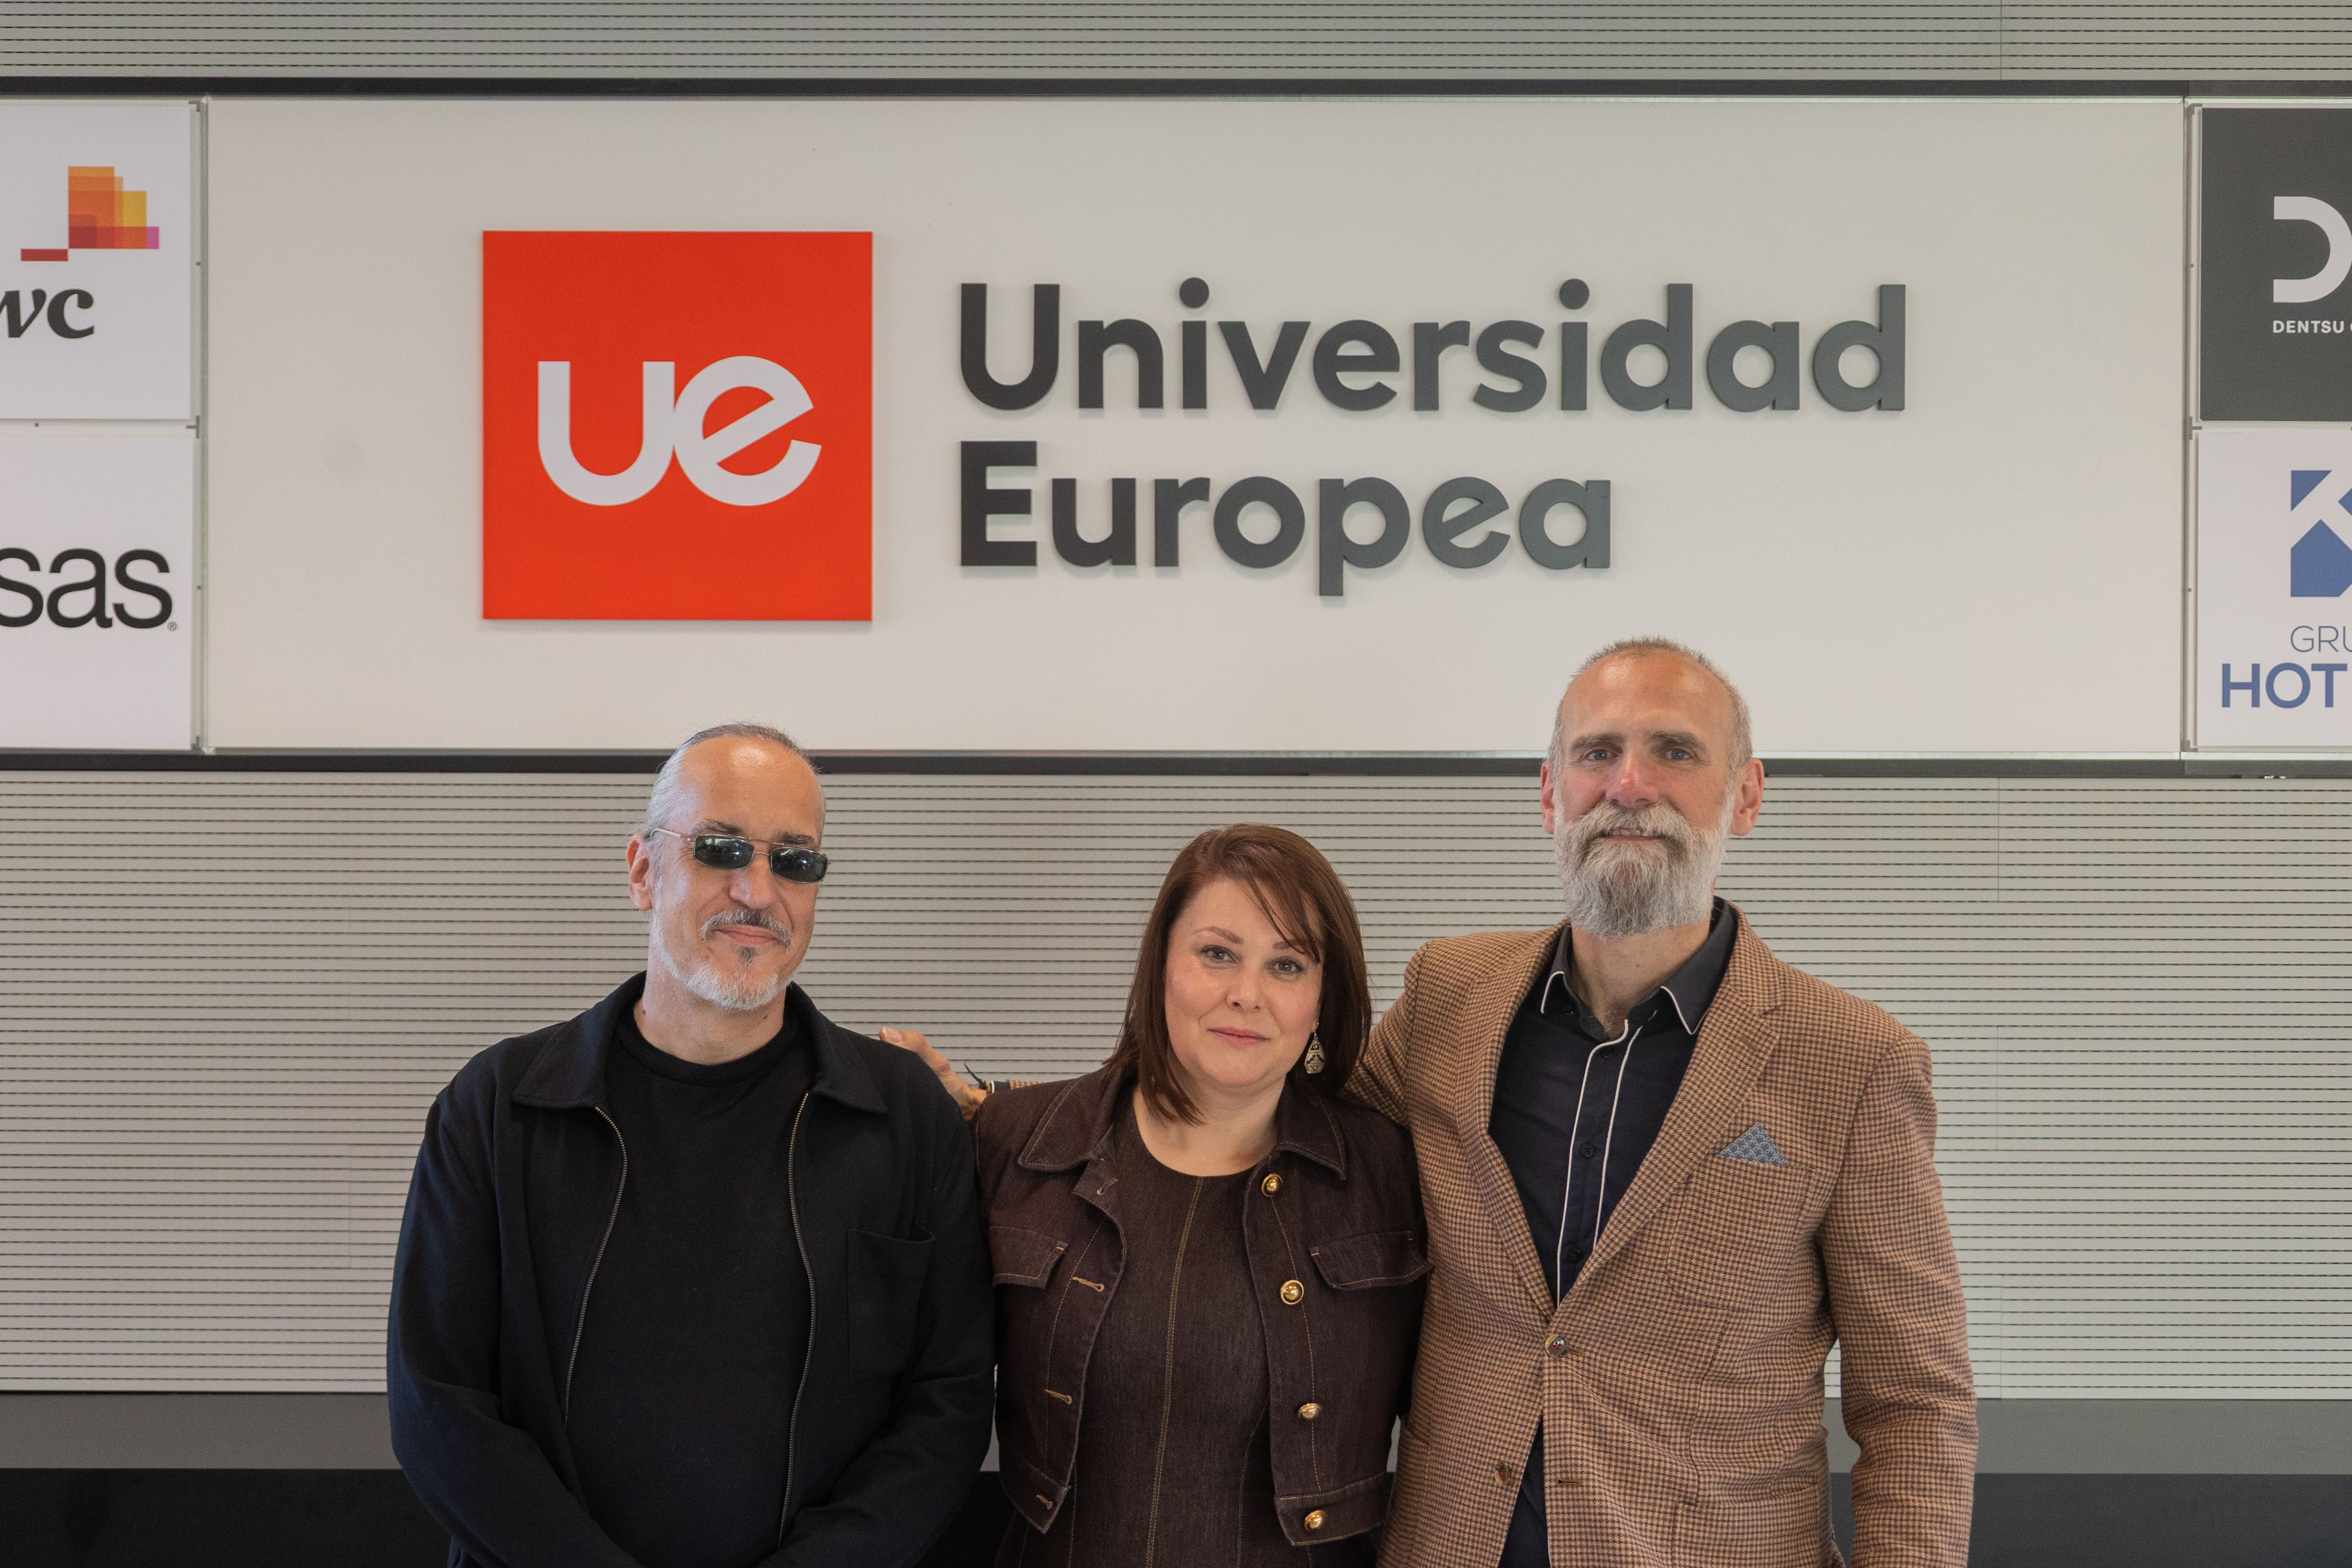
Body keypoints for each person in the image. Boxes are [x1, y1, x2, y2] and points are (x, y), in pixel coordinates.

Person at [1349, 638, 1976, 1568]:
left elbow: (1913, 1400)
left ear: (1747, 795)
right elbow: (1289, 1145)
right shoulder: (1447, 997)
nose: (1629, 784)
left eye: (1674, 752)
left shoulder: (1853, 1061)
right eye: (1595, 752)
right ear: (1549, 792)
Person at [387, 722, 994, 1568]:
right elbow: (437, 1405)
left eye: (796, 859)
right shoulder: (497, 1108)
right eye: (721, 848)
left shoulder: (902, 1118)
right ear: (642, 869)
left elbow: (948, 1402)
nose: (759, 890)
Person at [893, 825, 1427, 1566]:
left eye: (1287, 963)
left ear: (1320, 997)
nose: (1246, 993)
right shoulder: (1016, 1143)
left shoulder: (1393, 1175)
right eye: (1217, 953)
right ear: (1161, 965)